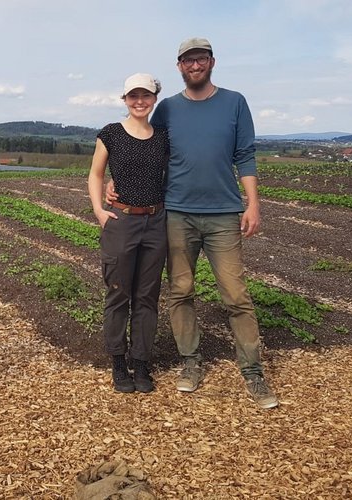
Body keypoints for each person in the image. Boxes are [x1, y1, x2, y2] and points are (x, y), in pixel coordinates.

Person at [109, 37, 278, 409]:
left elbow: (245, 155)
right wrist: (114, 179)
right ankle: (190, 363)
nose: (195, 65)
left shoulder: (235, 102)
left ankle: (253, 372)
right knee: (181, 291)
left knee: (236, 295)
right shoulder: (167, 108)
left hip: (223, 215)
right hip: (177, 214)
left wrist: (253, 204)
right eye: (188, 60)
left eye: (200, 59)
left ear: (212, 62)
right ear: (179, 67)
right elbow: (146, 149)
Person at [88, 73, 169, 394]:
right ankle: (119, 362)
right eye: (133, 96)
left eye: (146, 96)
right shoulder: (111, 134)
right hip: (121, 219)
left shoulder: (163, 136)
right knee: (119, 292)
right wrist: (98, 209)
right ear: (124, 99)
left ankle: (142, 362)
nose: (140, 101)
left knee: (147, 297)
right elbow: (96, 175)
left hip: (156, 221)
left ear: (154, 99)